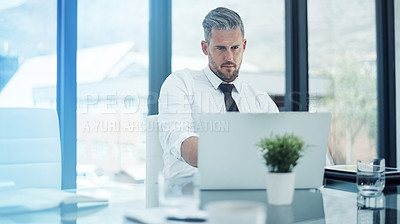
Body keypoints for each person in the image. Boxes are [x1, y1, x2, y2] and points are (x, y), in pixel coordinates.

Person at [158, 7, 279, 179]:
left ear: (244, 46)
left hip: (250, 190)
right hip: (190, 193)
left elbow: (280, 150)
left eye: (235, 47)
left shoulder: (259, 99)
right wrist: (250, 152)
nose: (229, 57)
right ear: (205, 48)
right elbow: (183, 144)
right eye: (221, 48)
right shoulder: (181, 83)